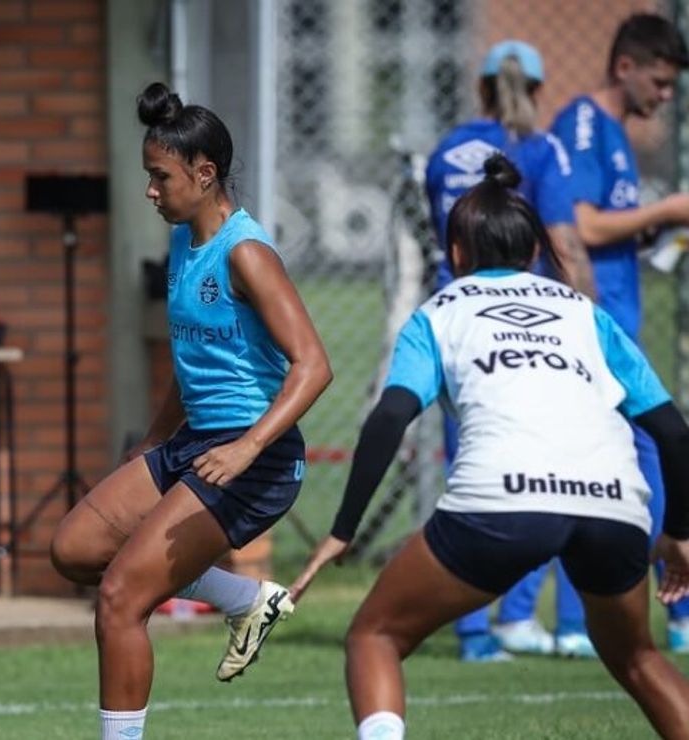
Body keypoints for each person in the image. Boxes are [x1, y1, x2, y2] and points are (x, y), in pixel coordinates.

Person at [291, 153, 689, 740]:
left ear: (455, 253)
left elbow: (391, 417)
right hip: (613, 503)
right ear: (535, 252)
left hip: (502, 500)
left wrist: (343, 530)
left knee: (375, 635)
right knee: (638, 658)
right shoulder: (587, 315)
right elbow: (674, 432)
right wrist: (679, 532)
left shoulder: (439, 314)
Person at [49, 82, 332, 740]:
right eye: (149, 175)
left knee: (121, 597)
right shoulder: (183, 240)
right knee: (74, 550)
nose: (150, 191)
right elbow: (194, 358)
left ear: (204, 176)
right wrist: (155, 439)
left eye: (161, 177)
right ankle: (245, 599)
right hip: (195, 441)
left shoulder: (246, 252)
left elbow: (314, 365)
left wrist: (248, 447)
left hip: (256, 457)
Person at [424, 40, 597, 661]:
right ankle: (553, 620)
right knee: (555, 471)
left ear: (482, 87)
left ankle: (477, 630)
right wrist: (590, 324)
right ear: (538, 90)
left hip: (454, 325)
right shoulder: (541, 150)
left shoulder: (445, 152)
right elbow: (566, 247)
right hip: (525, 332)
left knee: (467, 472)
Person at [548, 12, 689, 650]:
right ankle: (591, 621)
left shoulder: (616, 135)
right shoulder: (583, 123)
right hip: (592, 332)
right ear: (624, 66)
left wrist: (652, 227)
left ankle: (652, 614)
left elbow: (610, 223)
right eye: (659, 82)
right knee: (623, 465)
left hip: (617, 331)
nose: (665, 95)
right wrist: (668, 208)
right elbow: (578, 223)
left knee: (631, 467)